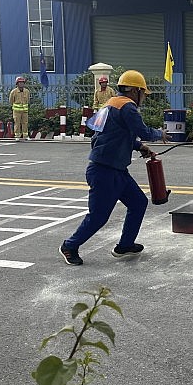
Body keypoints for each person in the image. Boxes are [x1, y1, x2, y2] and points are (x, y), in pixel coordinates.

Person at [59, 70, 169, 266]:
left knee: (138, 203)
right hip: (104, 172)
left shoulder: (110, 104)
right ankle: (69, 245)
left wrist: (139, 146)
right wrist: (158, 134)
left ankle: (125, 245)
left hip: (115, 170)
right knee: (98, 217)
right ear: (135, 91)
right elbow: (141, 131)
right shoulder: (128, 107)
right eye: (143, 93)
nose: (143, 97)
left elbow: (108, 135)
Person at [9, 76, 30, 141]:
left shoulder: (27, 91)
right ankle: (17, 135)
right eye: (20, 83)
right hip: (17, 111)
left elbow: (28, 100)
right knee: (17, 123)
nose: (21, 84)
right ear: (17, 84)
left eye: (22, 83)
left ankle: (25, 135)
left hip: (25, 111)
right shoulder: (14, 92)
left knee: (25, 123)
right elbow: (11, 101)